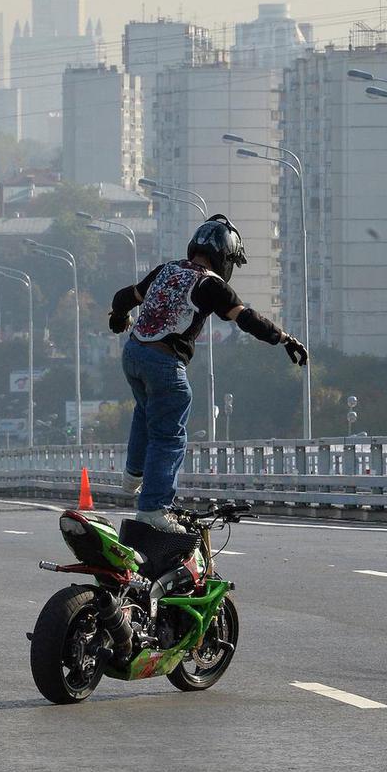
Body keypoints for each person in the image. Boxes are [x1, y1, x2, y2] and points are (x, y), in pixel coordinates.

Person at [107, 214, 308, 534]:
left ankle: (132, 477)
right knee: (169, 434)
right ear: (225, 257)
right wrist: (284, 339)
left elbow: (123, 298)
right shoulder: (212, 284)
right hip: (164, 362)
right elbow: (248, 320)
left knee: (145, 411)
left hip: (133, 354)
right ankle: (153, 508)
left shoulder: (167, 269)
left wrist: (118, 318)